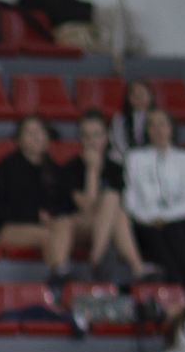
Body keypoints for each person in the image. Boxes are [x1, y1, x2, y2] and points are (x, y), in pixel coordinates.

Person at [59, 110, 150, 281]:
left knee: (117, 210)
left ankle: (96, 260)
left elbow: (126, 204)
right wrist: (92, 171)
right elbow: (87, 206)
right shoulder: (70, 168)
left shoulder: (116, 168)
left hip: (112, 224)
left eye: (96, 135)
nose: (91, 141)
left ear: (106, 137)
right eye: (86, 136)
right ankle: (135, 267)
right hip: (80, 225)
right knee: (111, 199)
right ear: (79, 138)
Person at [0, 116, 74, 281]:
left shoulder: (54, 170)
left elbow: (65, 202)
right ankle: (60, 277)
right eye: (29, 132)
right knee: (49, 236)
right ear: (19, 139)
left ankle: (59, 274)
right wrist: (35, 216)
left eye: (39, 131)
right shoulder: (7, 167)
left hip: (48, 225)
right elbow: (1, 207)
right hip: (9, 228)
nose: (35, 136)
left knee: (64, 223)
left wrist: (51, 215)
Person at [124, 108, 185, 288]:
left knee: (173, 232)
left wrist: (164, 218)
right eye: (152, 125)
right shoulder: (134, 158)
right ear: (146, 130)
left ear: (171, 128)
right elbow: (131, 197)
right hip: (145, 222)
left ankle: (180, 285)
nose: (158, 130)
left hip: (179, 221)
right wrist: (149, 218)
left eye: (163, 124)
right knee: (159, 234)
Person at [109, 78, 154, 163]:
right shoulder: (119, 118)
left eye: (141, 93)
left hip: (150, 159)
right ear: (128, 98)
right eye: (134, 95)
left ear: (150, 95)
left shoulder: (158, 116)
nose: (138, 97)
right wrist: (131, 159)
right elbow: (119, 142)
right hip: (124, 158)